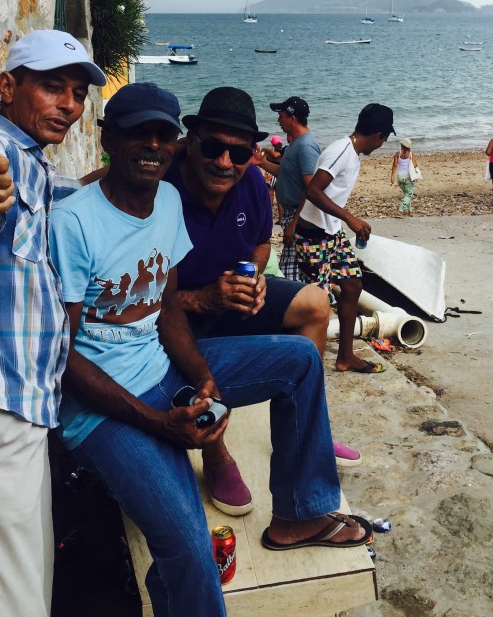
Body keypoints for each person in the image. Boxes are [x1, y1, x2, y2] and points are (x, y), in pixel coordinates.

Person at [48, 83, 373, 617]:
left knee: (300, 358)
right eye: (137, 133)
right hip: (102, 408)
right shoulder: (75, 223)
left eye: (161, 134)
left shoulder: (168, 200)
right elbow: (61, 356)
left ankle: (299, 513)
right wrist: (161, 423)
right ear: (108, 138)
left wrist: (204, 380)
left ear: (174, 143)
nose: (152, 145)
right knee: (192, 549)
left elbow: (167, 306)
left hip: (164, 365)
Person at [0, 29, 106, 617]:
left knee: (22, 586)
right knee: (9, 601)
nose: (70, 105)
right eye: (53, 87)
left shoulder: (33, 165)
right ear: (7, 87)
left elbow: (57, 195)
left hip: (25, 408)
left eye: (77, 92)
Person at [162, 86, 358, 514]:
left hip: (231, 299)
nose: (224, 162)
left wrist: (254, 278)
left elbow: (260, 244)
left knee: (315, 304)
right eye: (212, 147)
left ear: (253, 151)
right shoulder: (161, 184)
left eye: (239, 152)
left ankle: (305, 430)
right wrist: (205, 298)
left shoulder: (250, 181)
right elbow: (146, 298)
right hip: (178, 313)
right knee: (189, 351)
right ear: (190, 142)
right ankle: (216, 456)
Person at [295, 103, 395, 375]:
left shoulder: (351, 153)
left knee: (352, 285)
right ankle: (307, 368)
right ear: (377, 134)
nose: (383, 144)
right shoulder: (341, 150)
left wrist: (343, 222)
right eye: (385, 138)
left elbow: (317, 191)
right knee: (316, 305)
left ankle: (345, 357)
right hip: (314, 238)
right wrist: (350, 218)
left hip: (331, 233)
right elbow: (314, 191)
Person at [259, 95, 321, 281]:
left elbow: (313, 190)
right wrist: (261, 162)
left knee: (291, 272)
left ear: (292, 118)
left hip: (299, 216)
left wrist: (294, 223)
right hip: (292, 214)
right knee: (289, 267)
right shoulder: (296, 143)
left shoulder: (306, 146)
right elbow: (285, 173)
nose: (278, 119)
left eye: (281, 115)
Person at [390, 137, 420, 216]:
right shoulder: (410, 154)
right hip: (408, 177)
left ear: (402, 145)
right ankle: (401, 210)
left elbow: (395, 166)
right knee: (409, 194)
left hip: (400, 177)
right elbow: (415, 165)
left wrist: (392, 176)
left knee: (406, 194)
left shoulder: (397, 154)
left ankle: (410, 210)